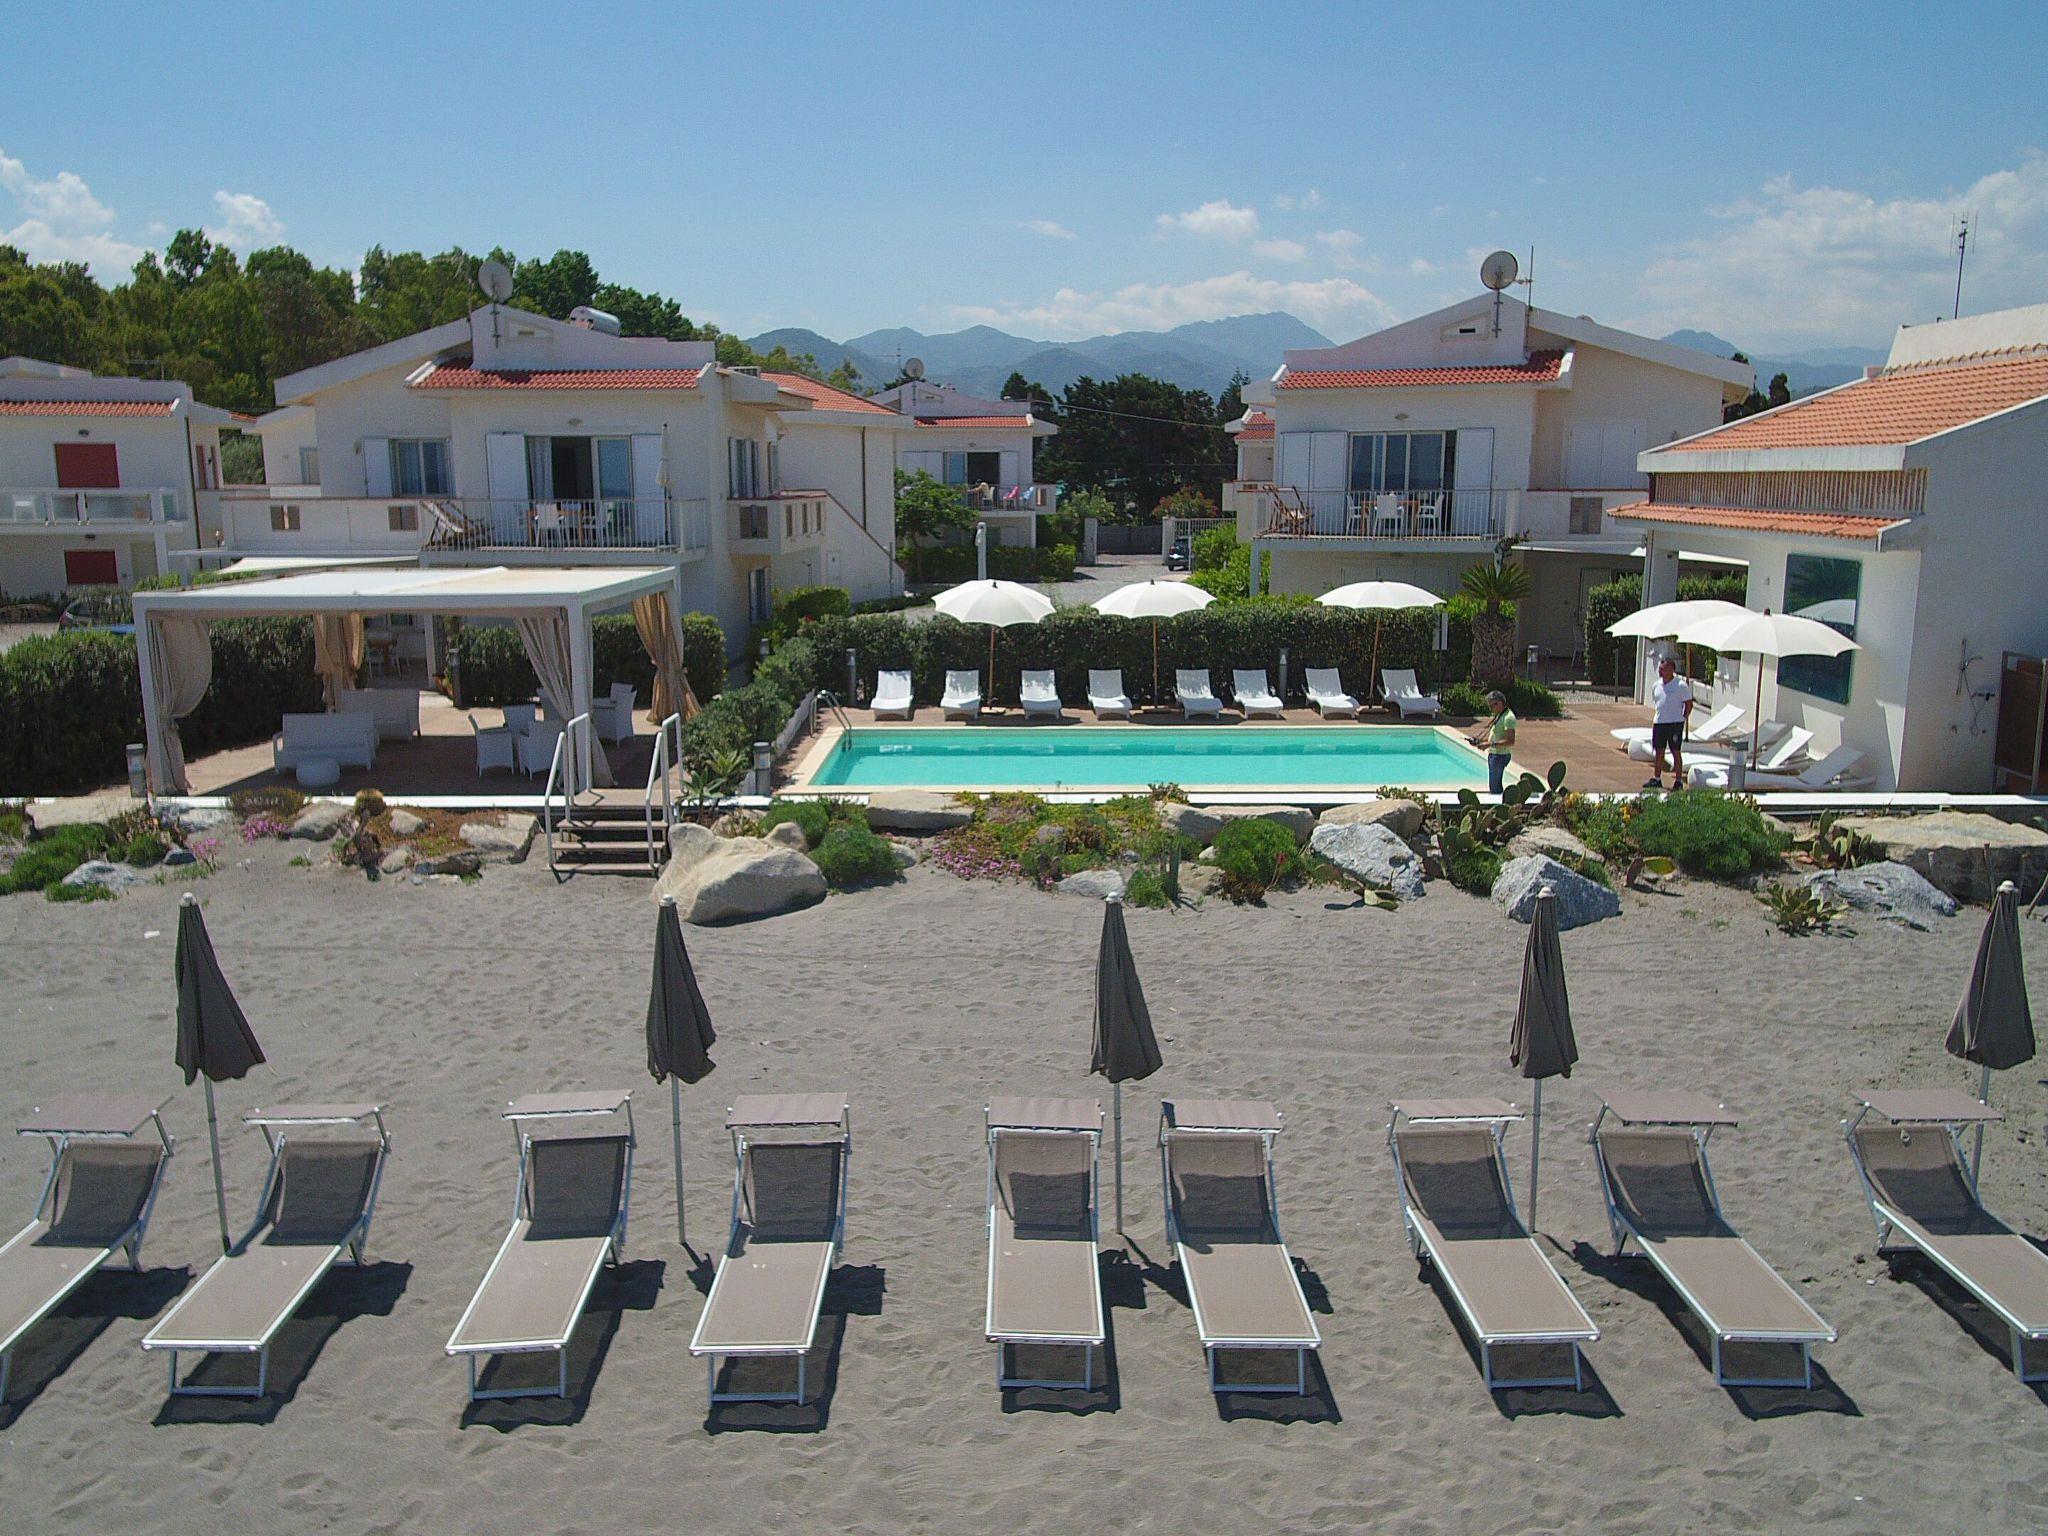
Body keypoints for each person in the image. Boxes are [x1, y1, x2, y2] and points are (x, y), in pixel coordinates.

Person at [1645, 655, 1695, 789]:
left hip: (1674, 724)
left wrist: (1683, 718)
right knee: (1659, 751)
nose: (1661, 672)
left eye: (1664, 669)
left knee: (1675, 751)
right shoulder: (1656, 685)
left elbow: (1689, 704)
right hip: (1659, 722)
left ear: (1672, 670)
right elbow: (1657, 701)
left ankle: (1678, 781)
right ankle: (1657, 778)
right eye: (1660, 669)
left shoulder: (1680, 685)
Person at [1469, 689, 1516, 795]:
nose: (1491, 709)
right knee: (1494, 785)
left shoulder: (1508, 718)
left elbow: (1510, 741)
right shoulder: (1500, 715)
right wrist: (1481, 741)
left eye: (1492, 706)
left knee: (1495, 787)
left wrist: (1490, 744)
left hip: (1500, 755)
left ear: (1499, 703)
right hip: (1495, 754)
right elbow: (1496, 735)